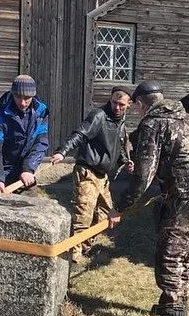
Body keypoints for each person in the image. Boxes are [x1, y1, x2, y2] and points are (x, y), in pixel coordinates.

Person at [108, 80, 189, 316]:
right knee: (185, 255)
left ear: (140, 104)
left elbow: (143, 176)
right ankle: (173, 305)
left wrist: (120, 207)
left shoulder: (152, 122)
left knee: (169, 257)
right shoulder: (185, 116)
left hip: (186, 196)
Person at [51, 86, 134, 256]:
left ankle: (85, 247)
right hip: (87, 171)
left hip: (103, 177)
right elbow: (80, 134)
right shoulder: (99, 116)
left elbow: (119, 148)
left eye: (121, 104)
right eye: (114, 103)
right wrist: (62, 151)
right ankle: (73, 256)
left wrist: (125, 162)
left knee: (105, 217)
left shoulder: (122, 123)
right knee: (83, 217)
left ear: (129, 104)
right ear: (110, 100)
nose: (117, 107)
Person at [0, 75, 49, 193]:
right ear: (12, 93)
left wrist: (29, 169)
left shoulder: (41, 112)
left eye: (27, 97)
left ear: (33, 96)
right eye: (18, 97)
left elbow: (40, 143)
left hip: (26, 174)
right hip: (3, 172)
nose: (23, 103)